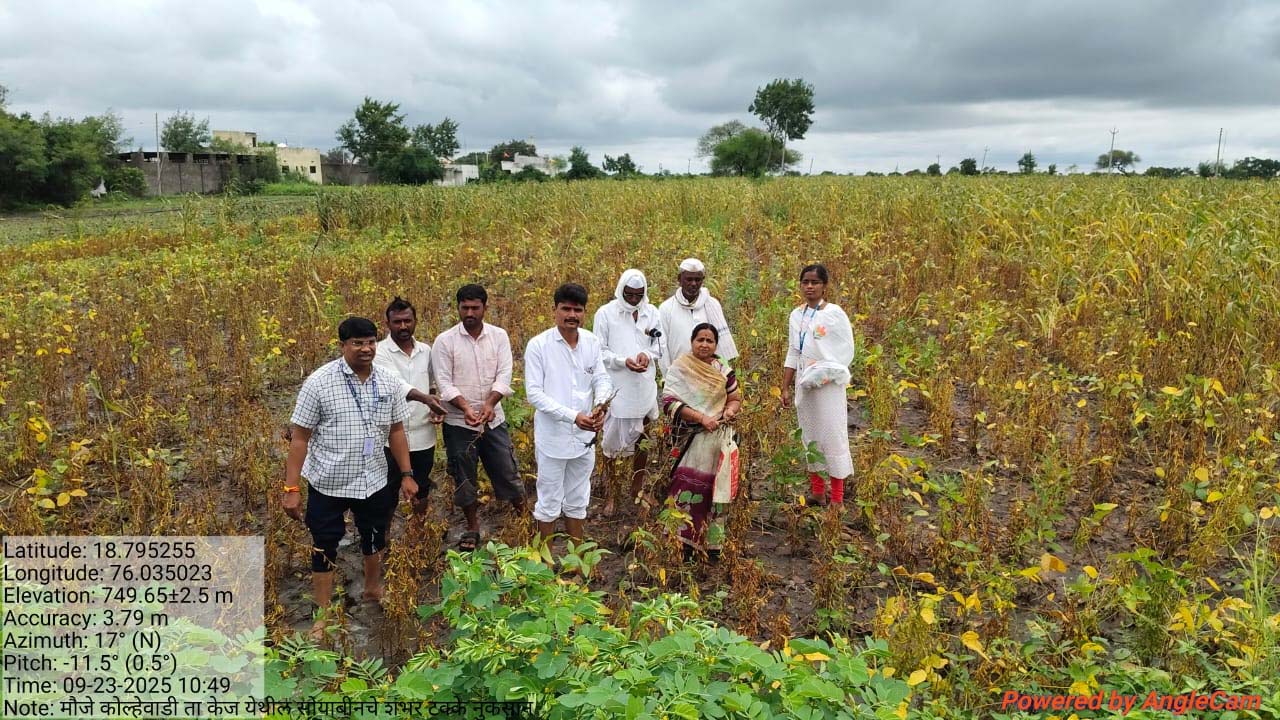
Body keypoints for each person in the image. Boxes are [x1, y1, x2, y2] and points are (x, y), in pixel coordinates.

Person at [283, 317, 417, 637]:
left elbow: (397, 431)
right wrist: (291, 487)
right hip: (329, 481)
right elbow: (299, 438)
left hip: (374, 478)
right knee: (324, 544)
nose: (365, 348)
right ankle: (323, 615)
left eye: (370, 341)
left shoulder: (388, 381)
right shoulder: (319, 382)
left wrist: (408, 474)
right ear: (342, 345)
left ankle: (373, 589)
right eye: (357, 343)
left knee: (374, 537)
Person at [431, 284, 528, 551]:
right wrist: (465, 408)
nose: (470, 312)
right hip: (458, 424)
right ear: (458, 308)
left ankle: (524, 519)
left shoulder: (499, 336)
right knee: (464, 478)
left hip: (493, 420)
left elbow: (504, 375)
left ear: (485, 307)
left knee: (507, 471)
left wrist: (489, 404)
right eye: (465, 307)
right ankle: (473, 527)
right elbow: (444, 382)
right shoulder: (445, 341)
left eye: (475, 307)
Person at [525, 283, 613, 544]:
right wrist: (574, 416)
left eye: (578, 310)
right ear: (555, 310)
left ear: (585, 313)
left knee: (578, 498)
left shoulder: (591, 342)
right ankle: (545, 563)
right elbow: (534, 394)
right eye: (566, 309)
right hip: (553, 439)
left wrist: (600, 405)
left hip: (585, 439)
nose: (571, 315)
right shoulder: (539, 346)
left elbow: (601, 378)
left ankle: (578, 559)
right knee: (549, 500)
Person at [662, 323, 742, 562]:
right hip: (689, 436)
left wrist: (729, 411)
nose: (704, 344)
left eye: (710, 340)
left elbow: (735, 398)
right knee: (686, 486)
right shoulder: (681, 368)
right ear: (692, 341)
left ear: (716, 345)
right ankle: (681, 542)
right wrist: (701, 418)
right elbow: (669, 401)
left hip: (718, 438)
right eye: (700, 339)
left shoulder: (723, 370)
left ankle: (712, 544)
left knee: (717, 490)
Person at [780, 264, 856, 506]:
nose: (809, 286)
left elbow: (846, 348)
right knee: (810, 434)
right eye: (805, 282)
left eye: (815, 282)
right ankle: (817, 491)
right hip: (805, 383)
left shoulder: (834, 314)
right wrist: (785, 385)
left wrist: (826, 369)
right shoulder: (796, 315)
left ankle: (837, 498)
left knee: (833, 435)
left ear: (825, 286)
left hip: (829, 384)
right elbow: (794, 350)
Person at [592, 269, 664, 515]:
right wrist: (624, 361)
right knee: (610, 441)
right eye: (629, 294)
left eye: (638, 294)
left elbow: (659, 345)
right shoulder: (605, 314)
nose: (634, 298)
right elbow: (599, 351)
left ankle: (637, 489)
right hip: (617, 387)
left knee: (643, 438)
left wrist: (647, 355)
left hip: (643, 385)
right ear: (621, 290)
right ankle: (611, 493)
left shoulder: (651, 312)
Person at [374, 297, 448, 517]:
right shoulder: (379, 353)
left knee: (422, 486)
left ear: (415, 321)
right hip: (389, 437)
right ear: (388, 324)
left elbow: (433, 383)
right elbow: (395, 384)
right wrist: (425, 398)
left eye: (407, 321)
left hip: (422, 434)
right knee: (387, 490)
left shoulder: (426, 351)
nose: (403, 326)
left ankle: (419, 530)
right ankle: (383, 538)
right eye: (397, 322)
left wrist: (434, 403)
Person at [658, 257, 738, 374]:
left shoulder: (713, 305)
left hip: (709, 374)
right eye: (689, 279)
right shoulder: (666, 308)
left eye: (697, 279)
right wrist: (668, 375)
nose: (693, 284)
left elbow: (719, 342)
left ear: (703, 280)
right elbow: (662, 346)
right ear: (679, 279)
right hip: (679, 374)